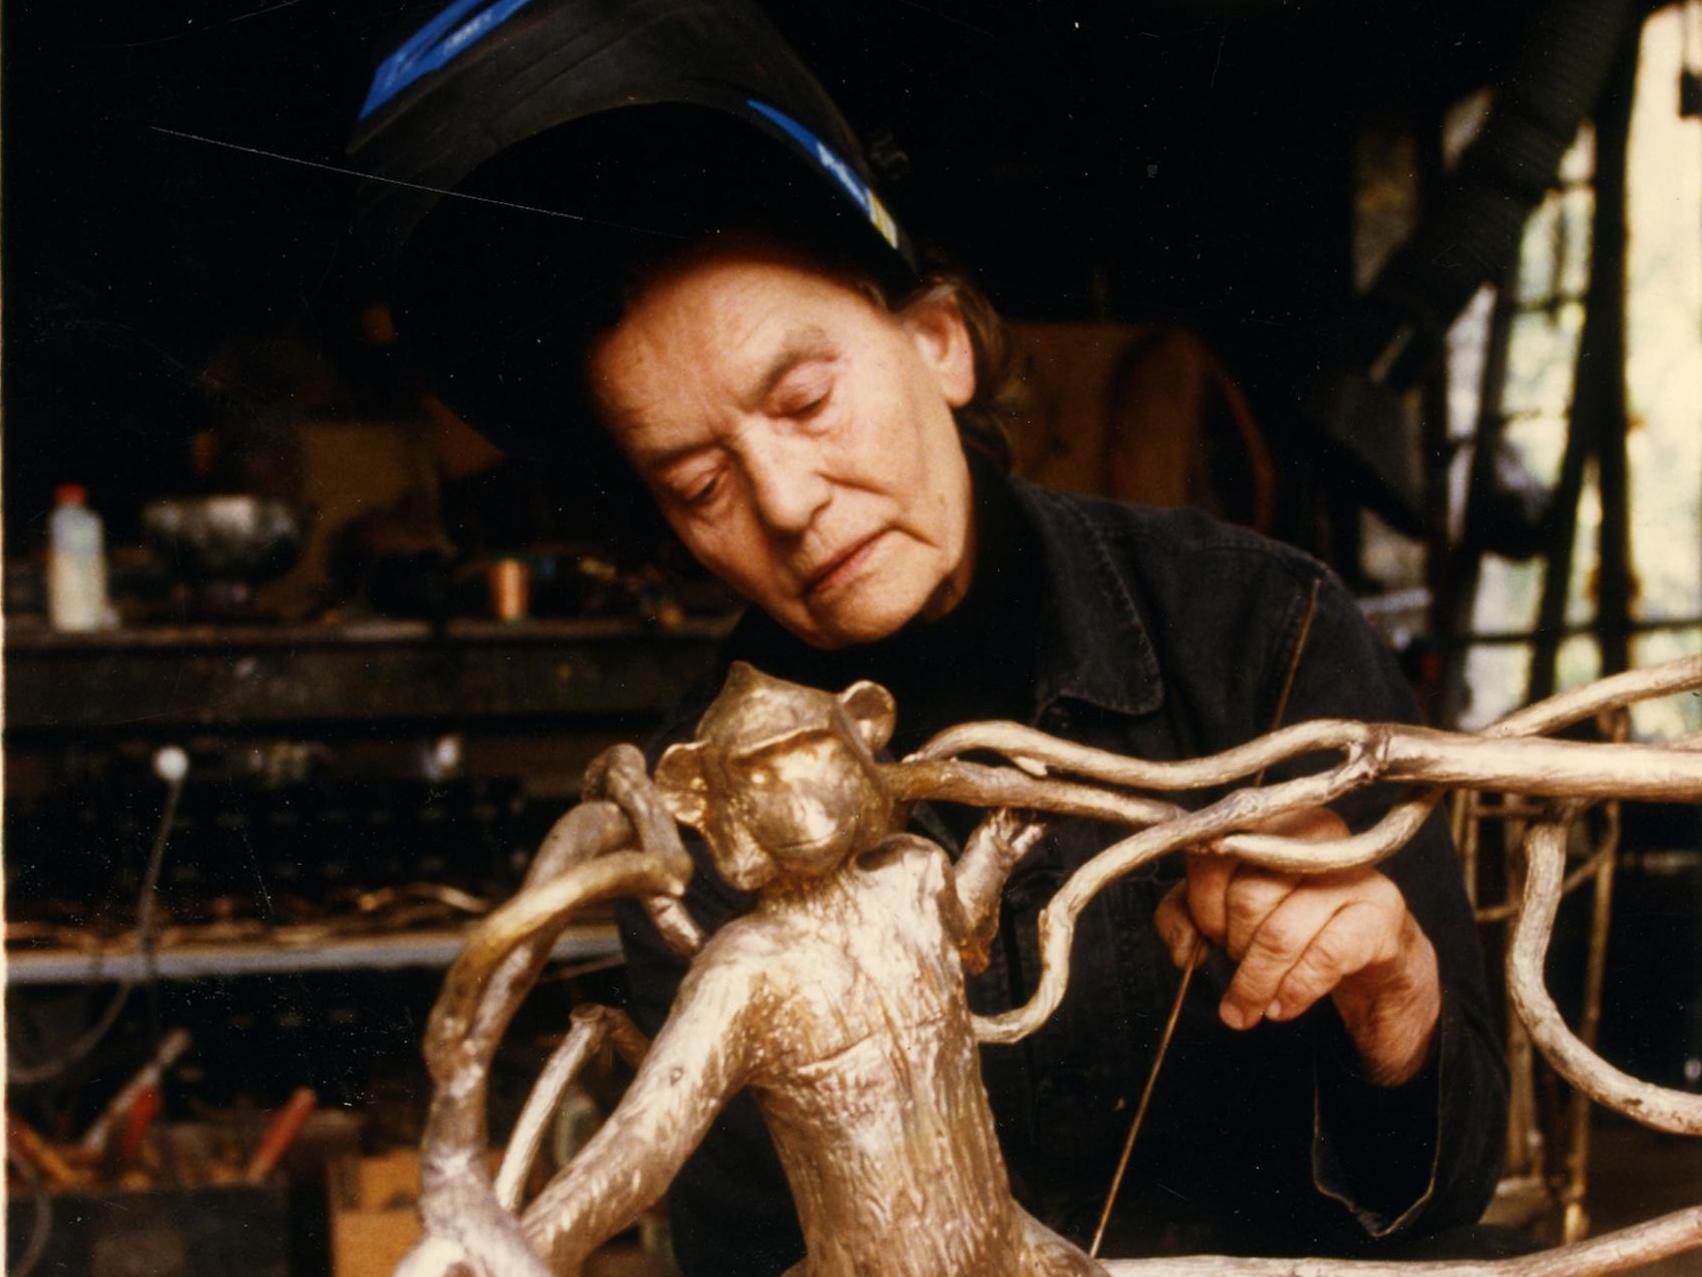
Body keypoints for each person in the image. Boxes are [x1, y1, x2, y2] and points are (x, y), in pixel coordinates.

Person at [354, 3, 1507, 1267]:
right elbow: (742, 1245)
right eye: (697, 483)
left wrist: (1389, 999)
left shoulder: (1257, 633)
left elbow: (1448, 1196)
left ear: (939, 341)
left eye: (805, 399)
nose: (786, 503)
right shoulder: (691, 821)